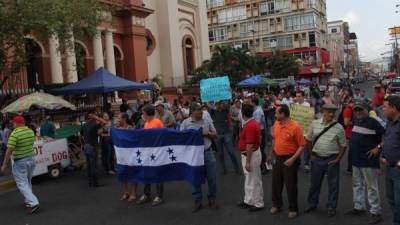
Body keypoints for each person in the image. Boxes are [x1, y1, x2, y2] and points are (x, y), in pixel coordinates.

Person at [305, 104, 347, 217]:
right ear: (323, 111)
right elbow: (308, 139)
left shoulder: (339, 127)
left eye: (333, 112)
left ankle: (331, 207)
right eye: (329, 111)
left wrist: (338, 159)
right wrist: (311, 154)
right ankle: (312, 204)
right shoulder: (314, 124)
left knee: (333, 186)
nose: (332, 114)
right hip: (317, 159)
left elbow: (343, 145)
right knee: (314, 184)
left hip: (332, 160)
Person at [346, 100, 384, 224]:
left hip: (368, 160)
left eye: (360, 109)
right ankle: (359, 206)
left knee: (371, 187)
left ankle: (375, 212)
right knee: (357, 184)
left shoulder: (375, 121)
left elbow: (387, 136)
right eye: (356, 109)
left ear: (366, 109)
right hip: (356, 159)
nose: (357, 112)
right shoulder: (356, 120)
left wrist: (377, 148)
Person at [268, 104, 306, 219]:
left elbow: (302, 145)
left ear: (283, 114)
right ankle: (277, 205)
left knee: (291, 185)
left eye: (276, 113)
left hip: (290, 158)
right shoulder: (276, 124)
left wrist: (292, 159)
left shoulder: (295, 127)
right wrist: (270, 154)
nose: (275, 115)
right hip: (277, 157)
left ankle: (293, 209)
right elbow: (274, 139)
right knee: (276, 183)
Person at [180, 102, 218, 212]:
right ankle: (198, 200)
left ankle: (212, 199)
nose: (201, 112)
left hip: (207, 152)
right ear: (192, 112)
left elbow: (215, 135)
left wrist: (207, 134)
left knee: (212, 178)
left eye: (201, 110)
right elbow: (181, 139)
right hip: (193, 155)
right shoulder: (185, 123)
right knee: (195, 178)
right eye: (198, 110)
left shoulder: (206, 120)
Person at [0, 115, 39, 214]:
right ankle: (28, 201)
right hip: (31, 160)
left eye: (13, 123)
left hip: (20, 162)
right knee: (27, 181)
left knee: (21, 183)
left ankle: (33, 202)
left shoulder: (15, 134)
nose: (12, 124)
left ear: (17, 123)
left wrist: (4, 165)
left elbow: (9, 151)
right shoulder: (30, 131)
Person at [237, 103, 264, 212]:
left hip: (251, 155)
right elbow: (259, 139)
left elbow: (249, 145)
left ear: (243, 114)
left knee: (255, 180)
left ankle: (258, 203)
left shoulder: (250, 125)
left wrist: (248, 161)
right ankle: (249, 200)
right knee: (249, 179)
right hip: (250, 154)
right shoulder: (252, 123)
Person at [137, 104, 165, 206]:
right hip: (148, 153)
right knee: (147, 173)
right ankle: (146, 194)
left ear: (148, 113)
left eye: (143, 112)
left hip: (156, 153)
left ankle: (159, 196)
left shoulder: (157, 122)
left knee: (158, 174)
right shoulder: (146, 123)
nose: (142, 114)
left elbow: (163, 137)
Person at [381, 96, 400, 225]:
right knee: (391, 198)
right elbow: (387, 140)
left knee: (399, 202)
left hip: (398, 170)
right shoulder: (389, 121)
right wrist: (382, 153)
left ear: (393, 108)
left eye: (385, 107)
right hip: (388, 167)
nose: (383, 110)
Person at [211, 101, 240, 175]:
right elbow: (207, 104)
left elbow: (228, 102)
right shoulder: (213, 111)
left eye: (220, 103)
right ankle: (223, 169)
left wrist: (228, 92)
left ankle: (237, 168)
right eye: (217, 104)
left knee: (231, 152)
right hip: (218, 135)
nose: (218, 105)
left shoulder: (225, 110)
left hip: (227, 134)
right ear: (215, 105)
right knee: (220, 154)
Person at [116, 113, 138, 202]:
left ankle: (133, 193)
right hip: (121, 155)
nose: (118, 120)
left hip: (131, 154)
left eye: (119, 118)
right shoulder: (117, 130)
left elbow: (134, 140)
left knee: (132, 174)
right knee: (122, 173)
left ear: (124, 119)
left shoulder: (131, 129)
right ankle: (125, 192)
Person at [80, 112, 103, 187]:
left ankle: (90, 181)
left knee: (89, 165)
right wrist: (97, 117)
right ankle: (95, 182)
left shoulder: (83, 125)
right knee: (94, 165)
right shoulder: (94, 125)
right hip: (93, 146)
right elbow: (105, 122)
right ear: (92, 117)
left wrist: (83, 144)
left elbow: (81, 136)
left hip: (86, 146)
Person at [250, 97, 267, 174]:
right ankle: (263, 166)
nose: (250, 103)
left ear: (253, 103)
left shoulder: (258, 111)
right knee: (260, 149)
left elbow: (257, 123)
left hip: (260, 131)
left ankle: (264, 167)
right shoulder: (256, 110)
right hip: (260, 130)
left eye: (251, 102)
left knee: (261, 149)